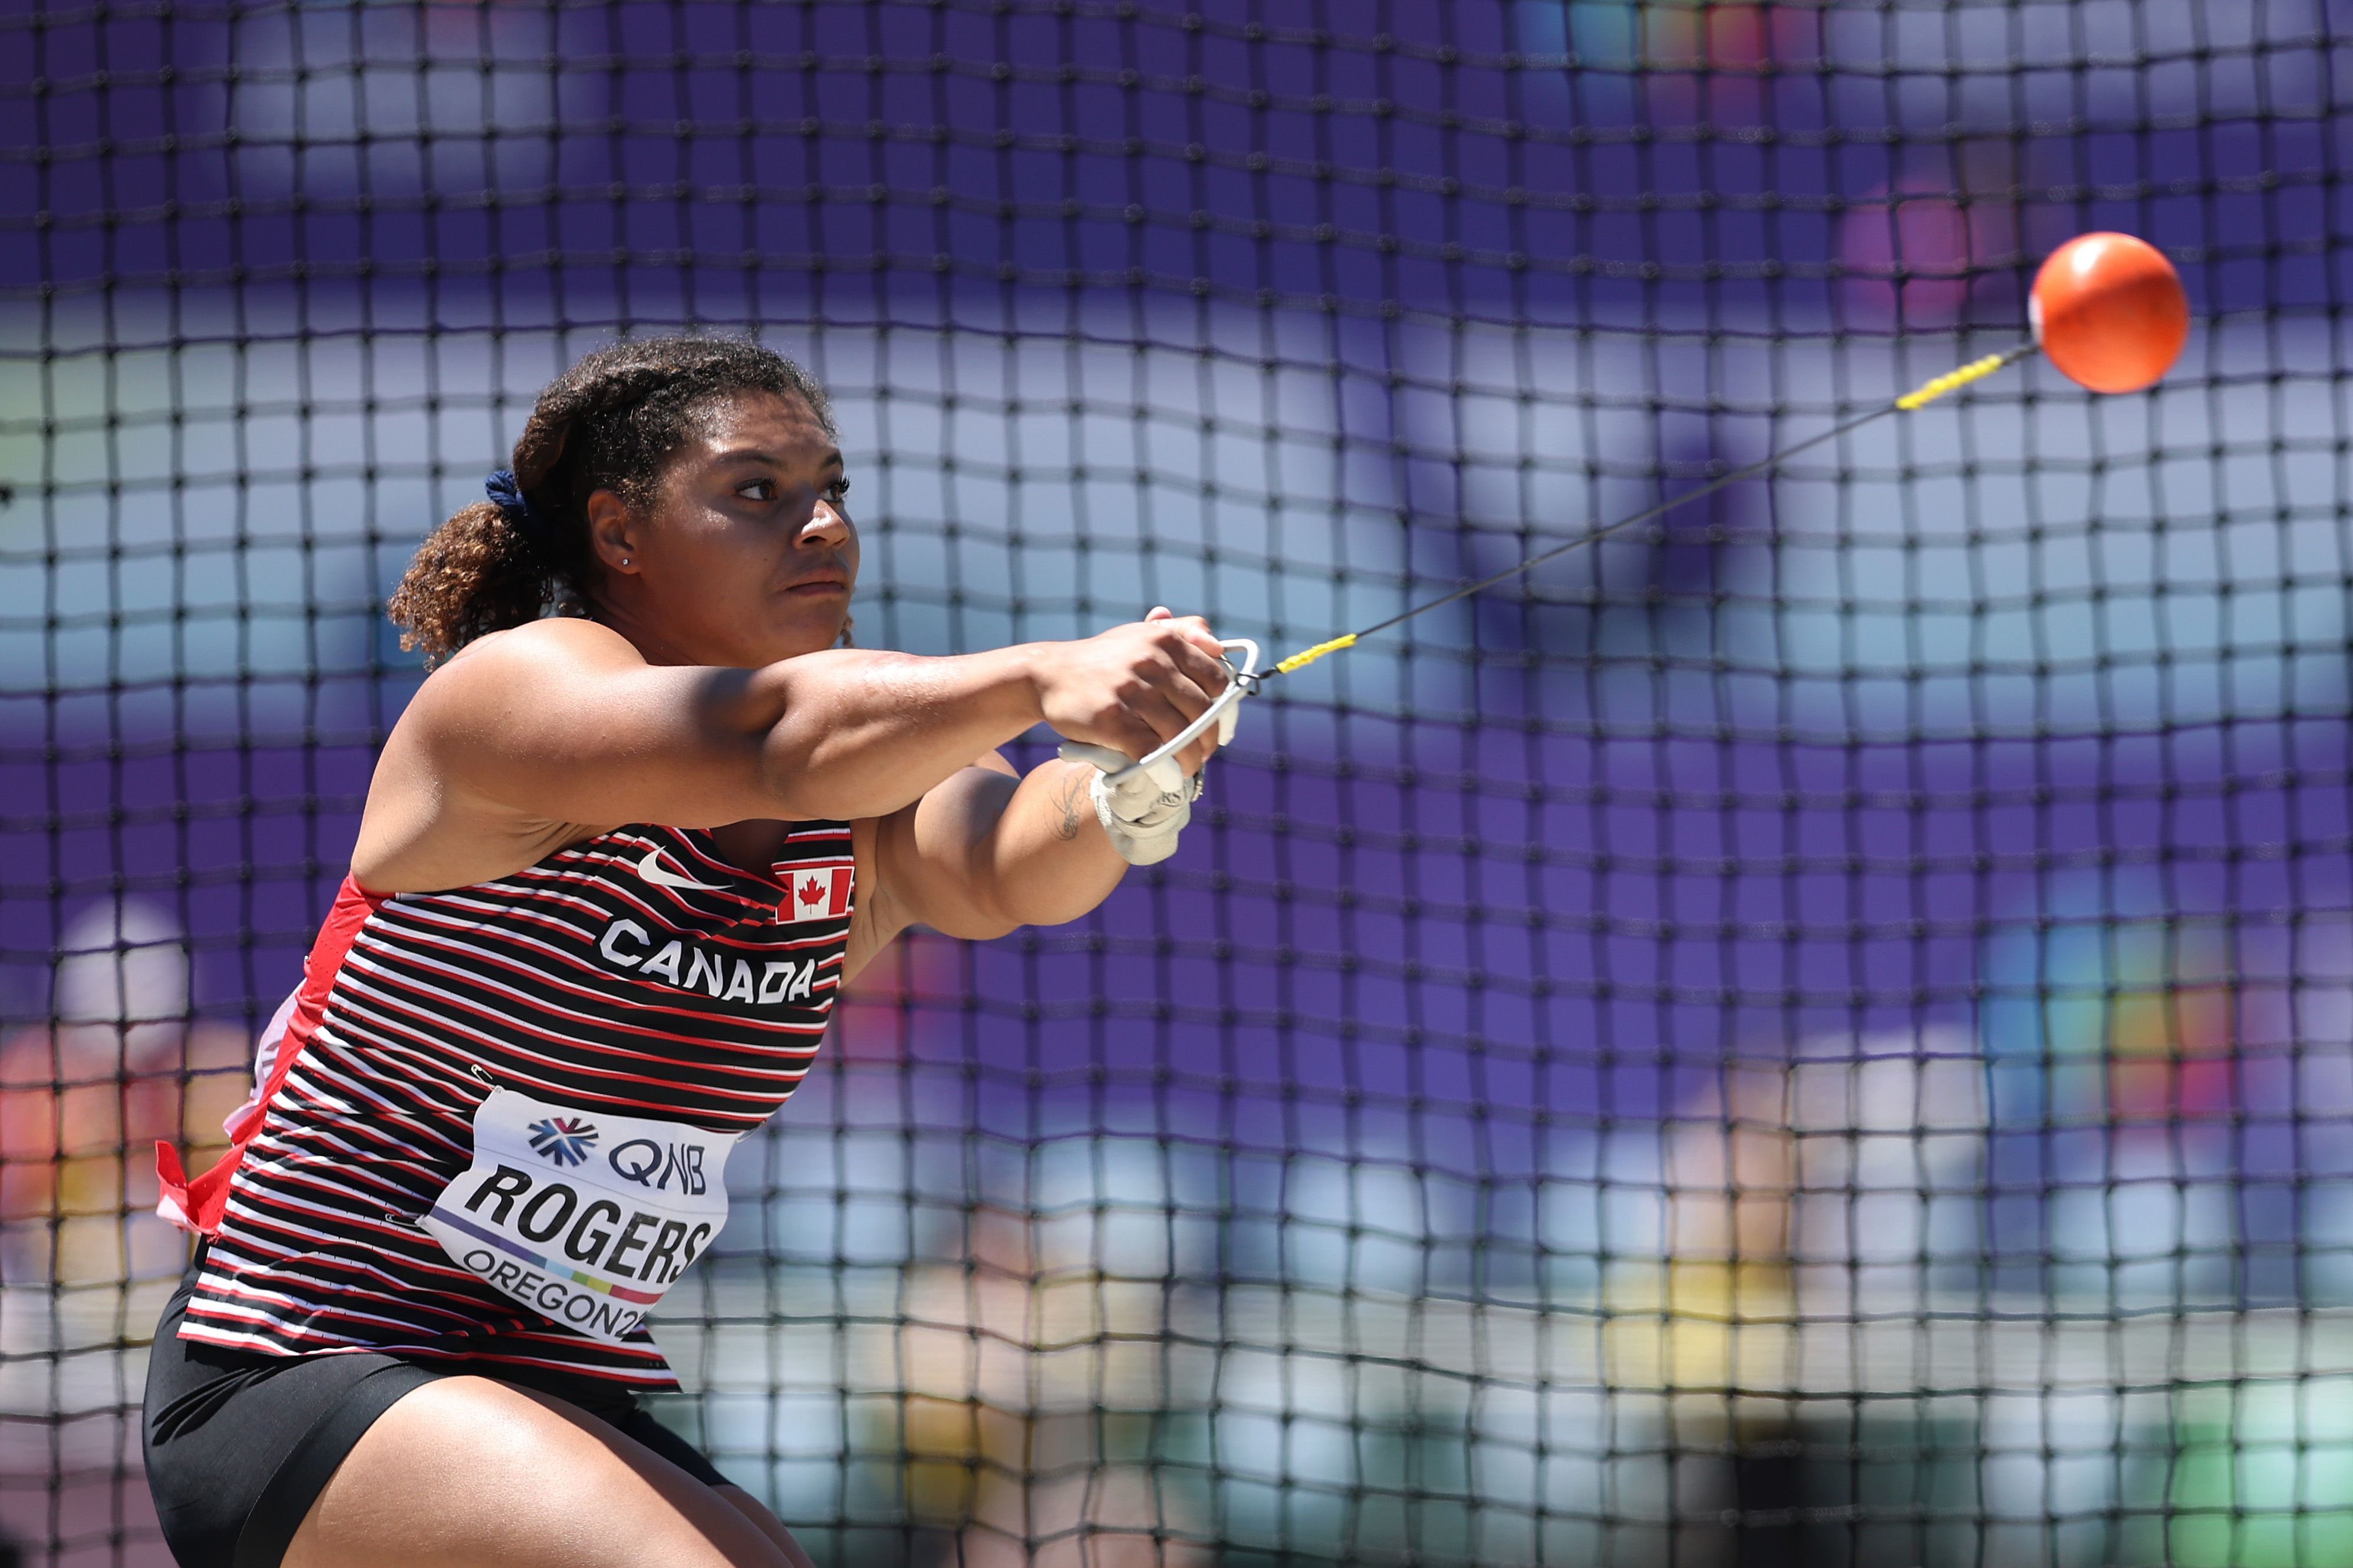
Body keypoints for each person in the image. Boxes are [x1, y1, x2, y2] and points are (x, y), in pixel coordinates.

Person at [140, 334, 1236, 1568]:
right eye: (757, 491)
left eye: (832, 488)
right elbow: (773, 740)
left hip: (546, 1382)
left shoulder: (866, 763)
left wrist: (1122, 789)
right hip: (304, 1354)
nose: (821, 523)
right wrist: (1042, 672)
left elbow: (1001, 866)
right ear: (620, 533)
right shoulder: (519, 690)